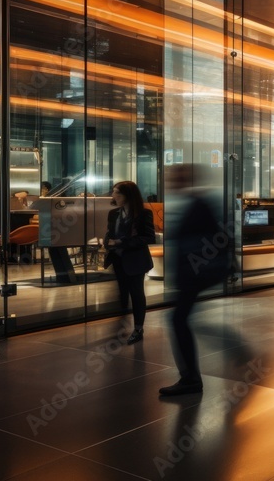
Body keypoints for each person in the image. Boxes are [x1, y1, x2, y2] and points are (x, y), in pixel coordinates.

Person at [160, 164, 231, 396]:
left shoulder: (198, 203)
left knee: (178, 319)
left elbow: (217, 238)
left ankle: (190, 378)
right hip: (192, 273)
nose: (170, 181)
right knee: (179, 319)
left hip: (195, 272)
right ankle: (190, 376)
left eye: (175, 177)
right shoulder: (193, 202)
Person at [103, 181, 156, 345]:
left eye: (117, 192)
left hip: (136, 260)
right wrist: (107, 242)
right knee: (122, 292)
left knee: (137, 293)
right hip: (118, 259)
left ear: (127, 195)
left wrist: (121, 242)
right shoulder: (113, 213)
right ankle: (122, 324)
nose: (113, 195)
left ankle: (138, 328)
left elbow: (148, 237)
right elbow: (109, 233)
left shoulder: (143, 214)